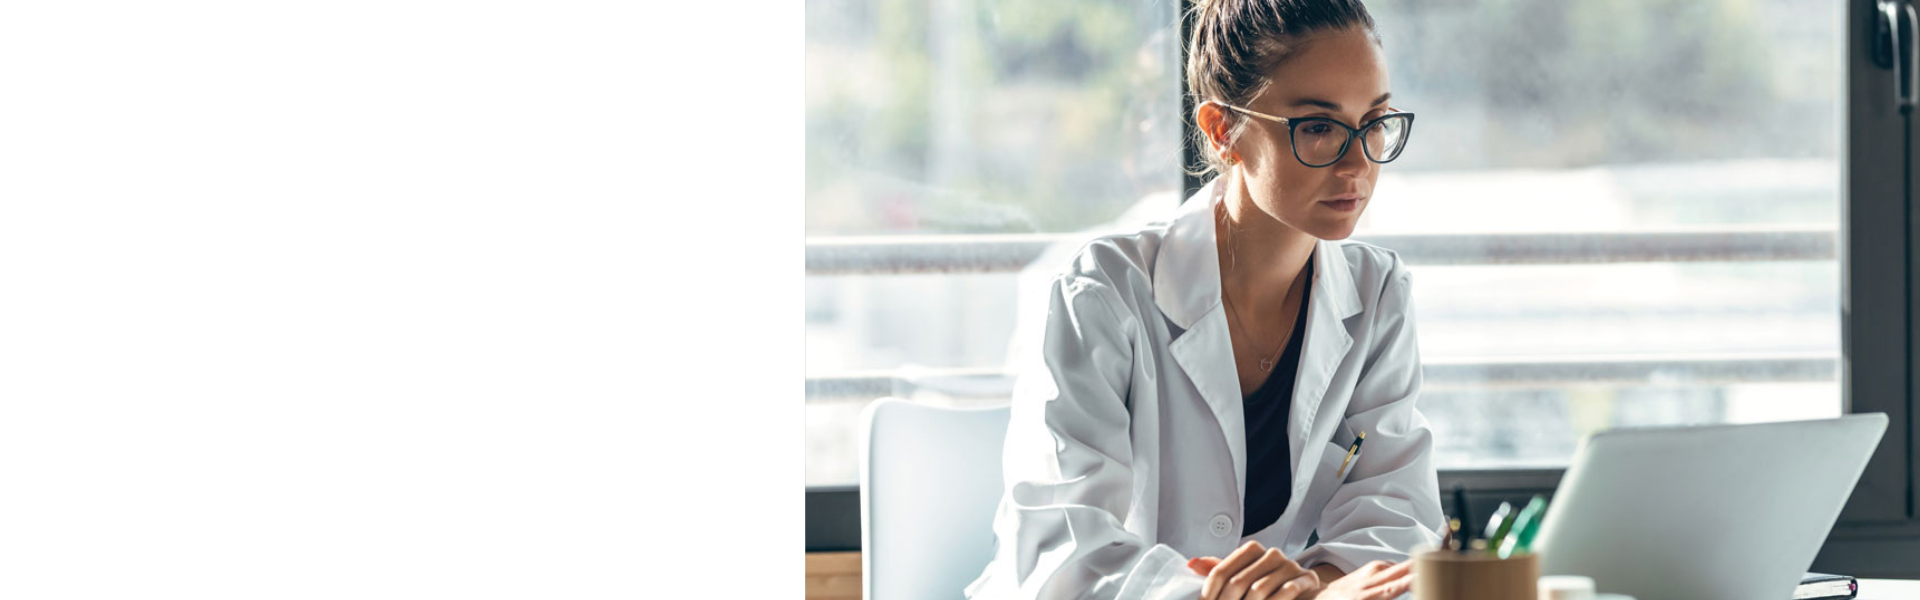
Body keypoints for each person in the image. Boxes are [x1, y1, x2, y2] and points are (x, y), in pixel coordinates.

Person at [964, 1, 1443, 599]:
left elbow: (1398, 517)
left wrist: (1312, 588)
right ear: (1222, 131)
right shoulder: (1103, 294)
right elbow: (1066, 561)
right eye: (1319, 127)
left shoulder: (1377, 295)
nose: (1357, 163)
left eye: (1374, 123)